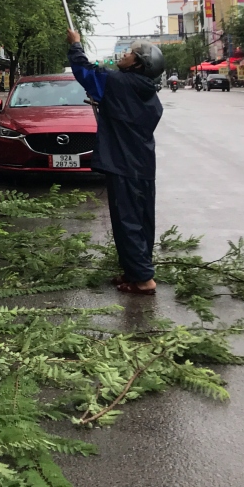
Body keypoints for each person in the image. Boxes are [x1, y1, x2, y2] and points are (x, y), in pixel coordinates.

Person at [66, 31, 165, 296]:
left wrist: (75, 44)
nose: (124, 54)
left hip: (123, 165)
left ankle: (144, 280)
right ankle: (136, 271)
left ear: (137, 64)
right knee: (142, 222)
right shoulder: (150, 95)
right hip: (142, 165)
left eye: (130, 53)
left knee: (127, 222)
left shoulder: (117, 83)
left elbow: (85, 73)